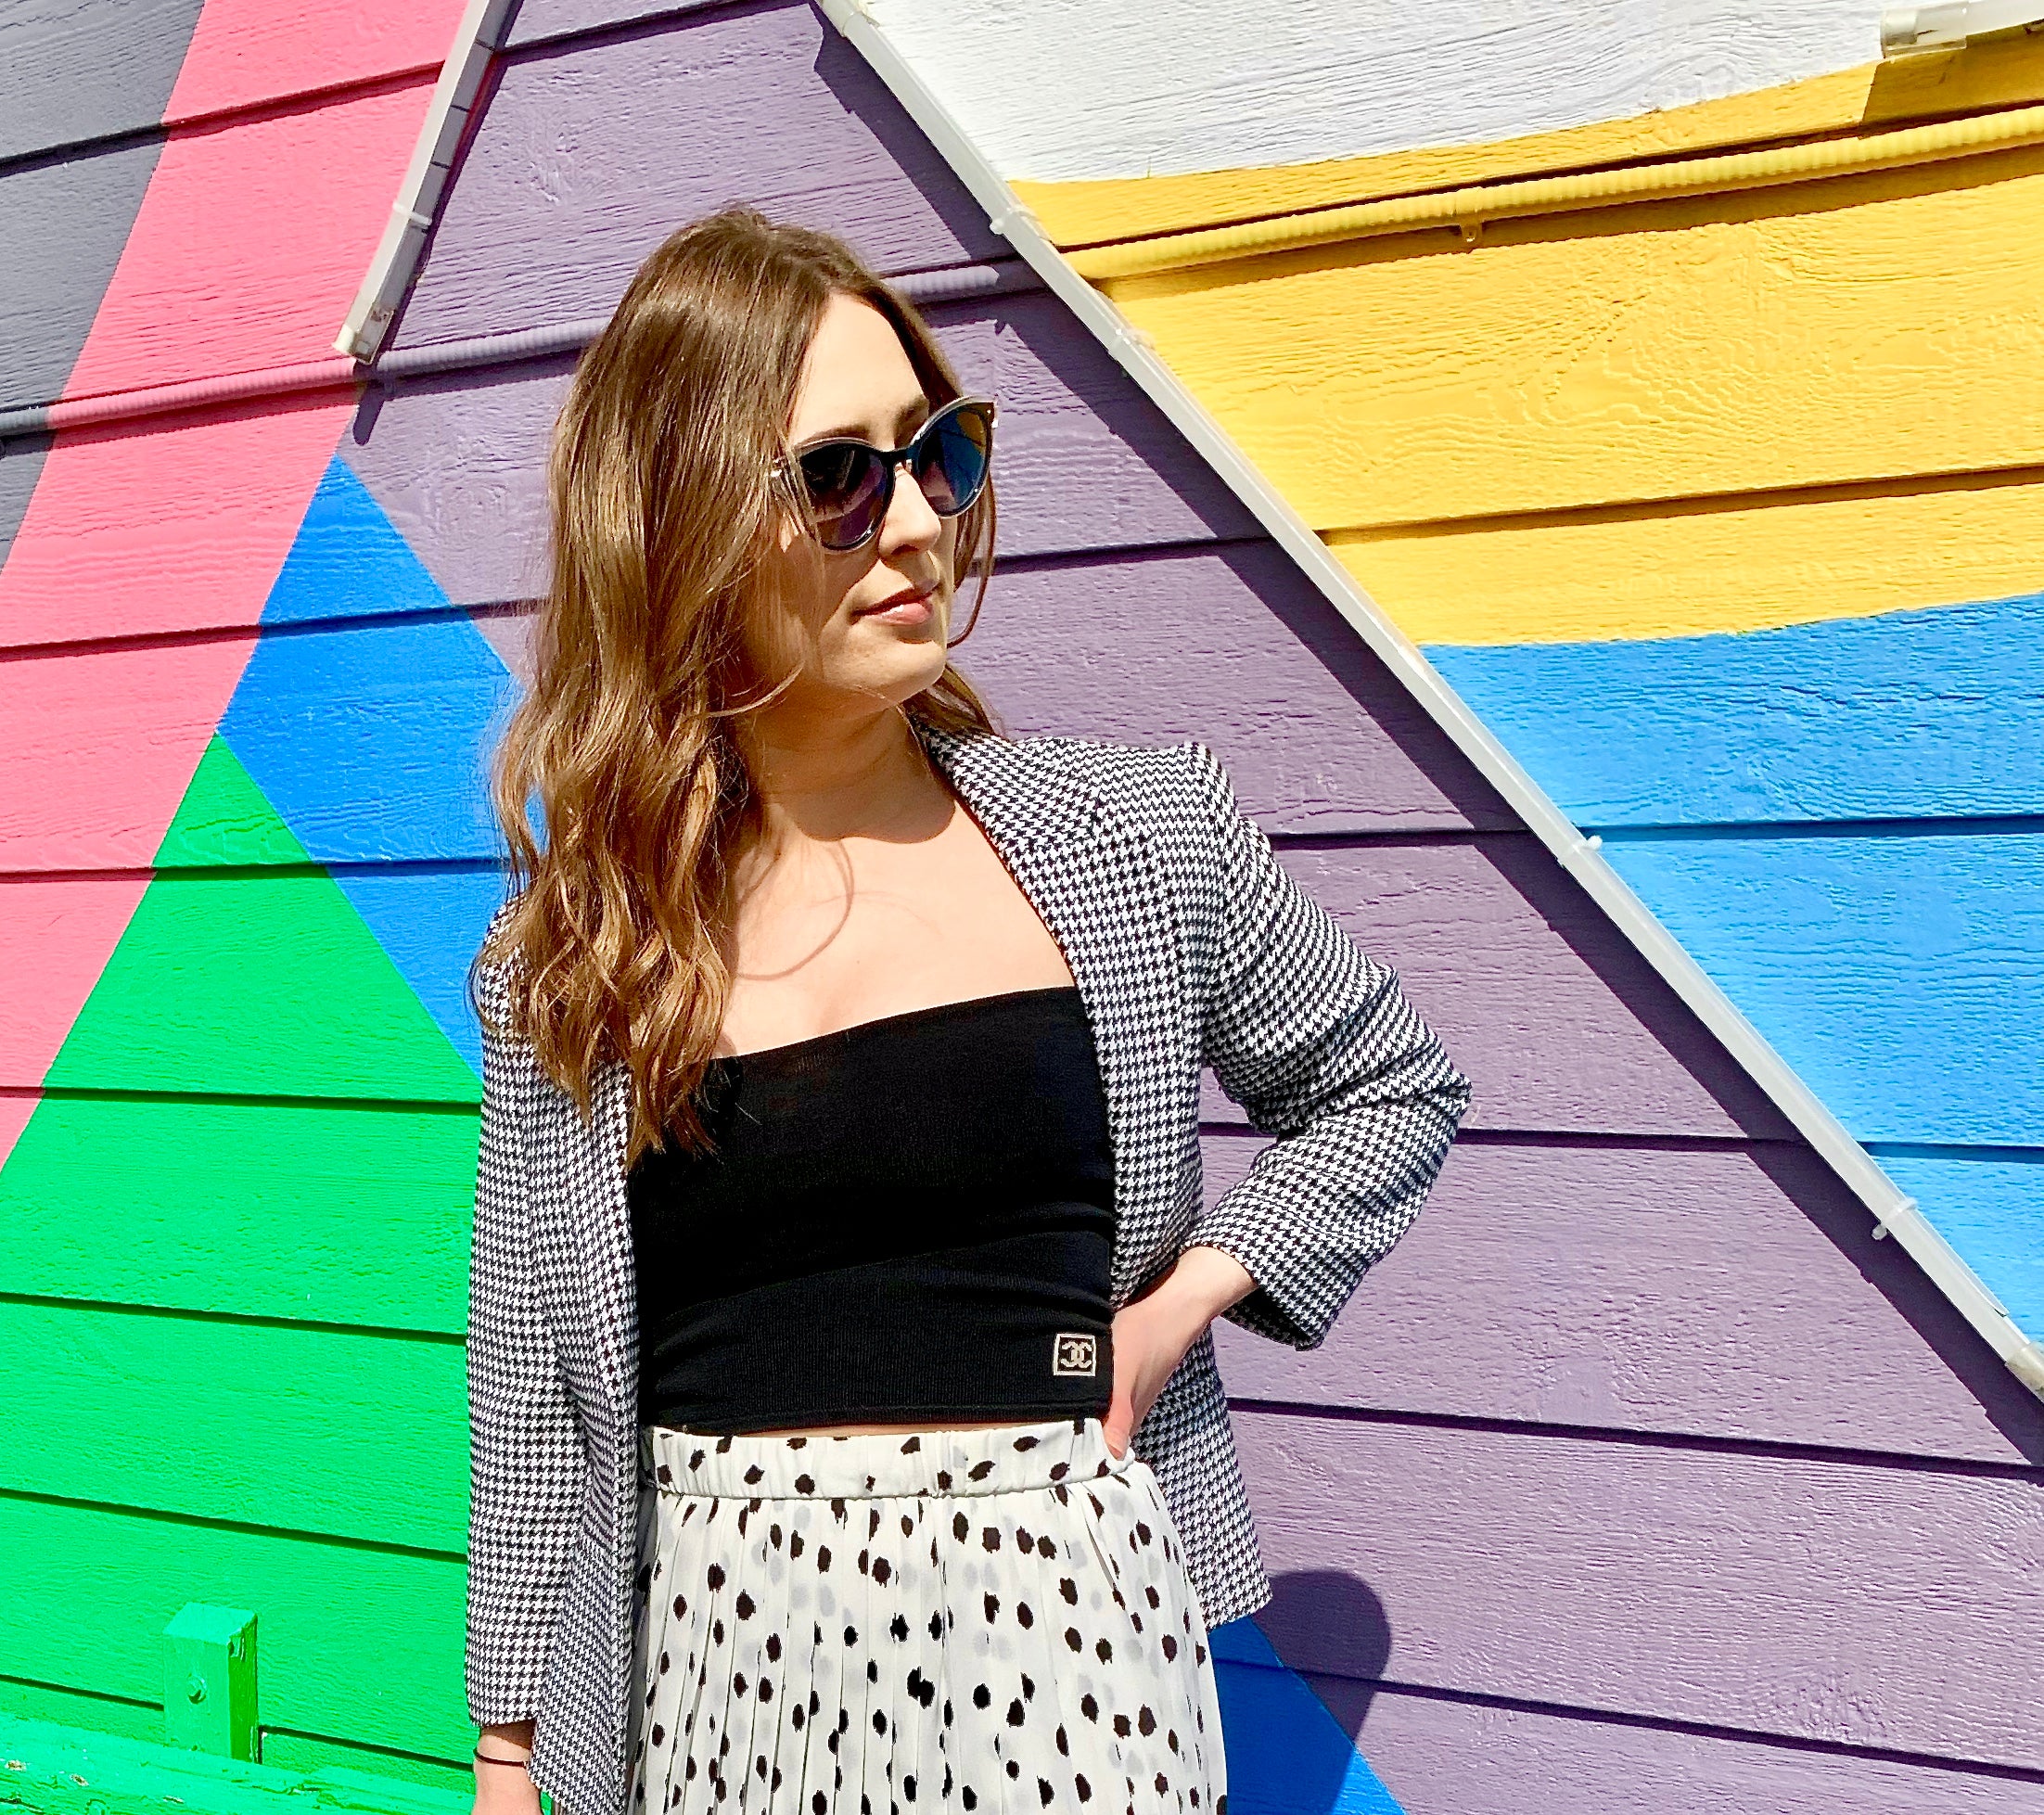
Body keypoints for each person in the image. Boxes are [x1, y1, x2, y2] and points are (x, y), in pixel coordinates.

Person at [460, 208, 1473, 1815]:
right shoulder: (580, 955)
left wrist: (1176, 1309)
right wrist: (509, 1754)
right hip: (715, 1681)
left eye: (940, 455)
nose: (920, 520)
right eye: (840, 476)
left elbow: (1388, 1082)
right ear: (679, 519)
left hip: (1070, 1659)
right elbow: (530, 1382)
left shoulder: (1134, 837)